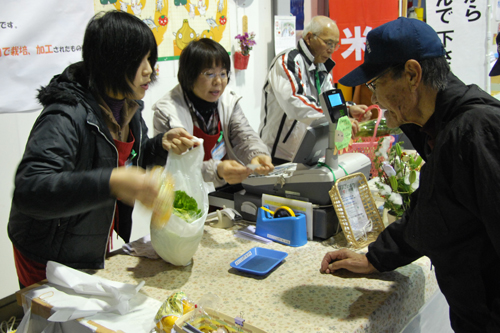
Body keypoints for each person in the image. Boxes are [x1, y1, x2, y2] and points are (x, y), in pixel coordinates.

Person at [320, 17, 500, 332]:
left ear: (412, 74)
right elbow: (434, 210)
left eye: (375, 84)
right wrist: (375, 259)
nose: (373, 99)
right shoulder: (438, 131)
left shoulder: (475, 131)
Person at [8, 10, 196, 289]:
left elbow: (128, 160)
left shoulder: (129, 106)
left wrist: (159, 145)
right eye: (139, 60)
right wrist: (112, 181)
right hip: (47, 252)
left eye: (150, 59)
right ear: (112, 61)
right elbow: (31, 190)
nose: (149, 70)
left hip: (88, 240)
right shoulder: (65, 114)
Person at [153, 38, 274, 188]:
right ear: (189, 76)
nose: (218, 81)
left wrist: (257, 154)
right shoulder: (167, 111)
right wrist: (216, 170)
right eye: (209, 74)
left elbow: (244, 136)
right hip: (188, 192)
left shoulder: (228, 101)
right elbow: (177, 166)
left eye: (223, 74)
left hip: (222, 184)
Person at [259, 15, 372, 165]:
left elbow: (328, 100)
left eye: (335, 45)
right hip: (278, 154)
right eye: (328, 43)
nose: (331, 50)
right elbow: (296, 103)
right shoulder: (288, 61)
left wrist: (349, 110)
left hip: (309, 149)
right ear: (309, 38)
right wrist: (338, 119)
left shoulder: (322, 65)